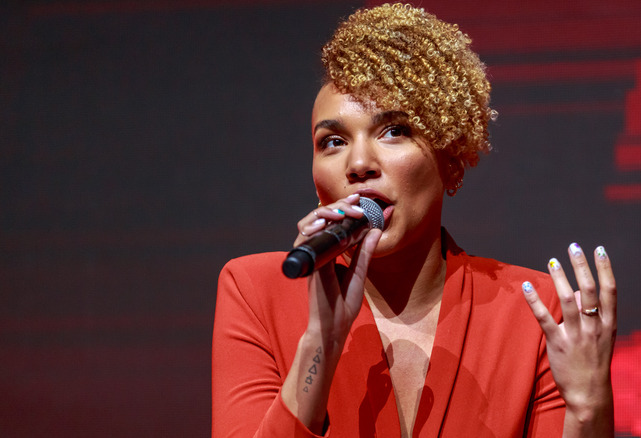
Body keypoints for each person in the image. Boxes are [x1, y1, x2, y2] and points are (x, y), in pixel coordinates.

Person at [212, 3, 616, 437]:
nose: (359, 163)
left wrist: (589, 408)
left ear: (451, 158)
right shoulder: (256, 291)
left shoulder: (532, 311)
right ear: (317, 182)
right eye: (332, 141)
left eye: (393, 131)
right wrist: (320, 345)